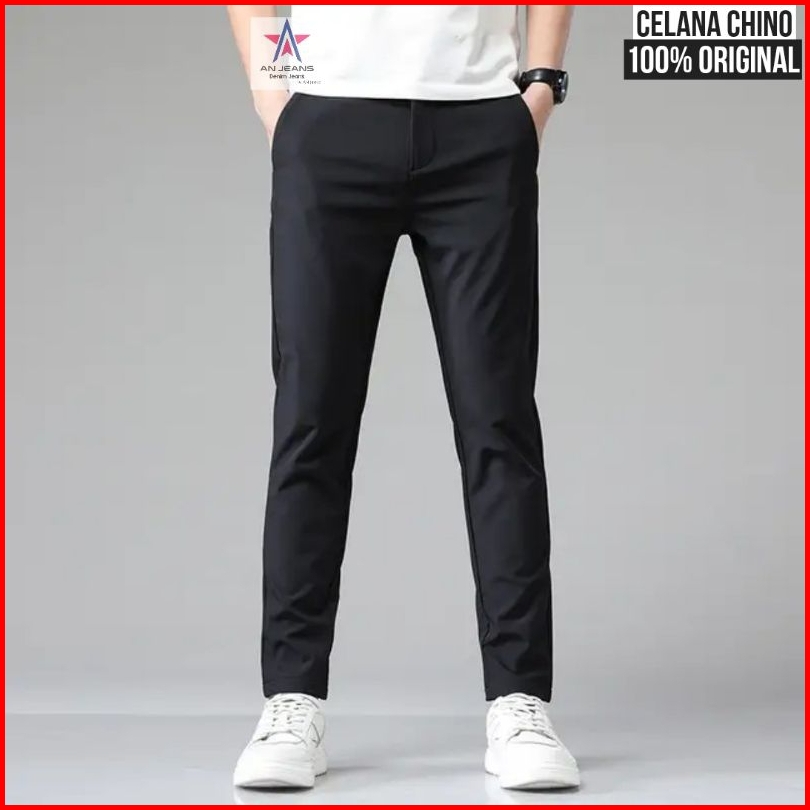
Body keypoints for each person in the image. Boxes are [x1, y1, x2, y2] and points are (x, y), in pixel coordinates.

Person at [227, 4, 578, 791]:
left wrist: (541, 86)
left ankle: (519, 700)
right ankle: (291, 697)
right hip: (328, 119)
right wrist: (274, 97)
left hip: (480, 123)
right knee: (311, 419)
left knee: (498, 422)